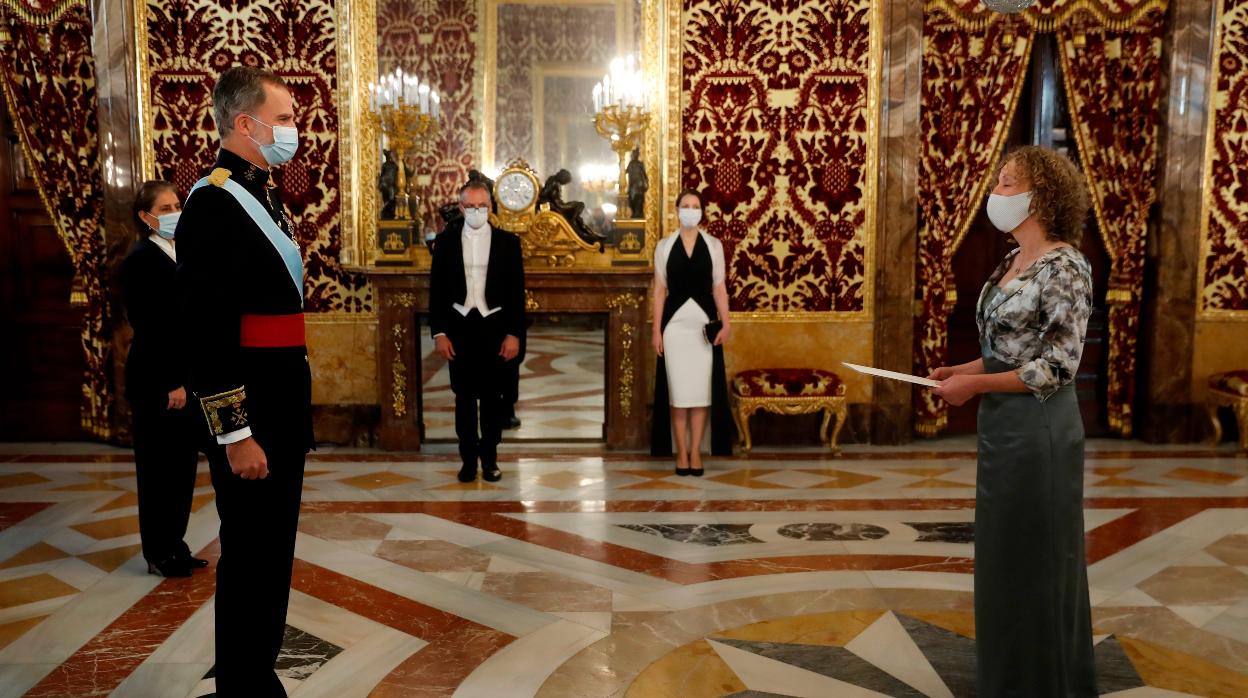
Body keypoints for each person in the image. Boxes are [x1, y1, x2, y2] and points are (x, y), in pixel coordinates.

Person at [929, 145, 1098, 696]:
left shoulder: (1066, 267)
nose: (996, 194)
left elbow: (1057, 367)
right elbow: (1007, 351)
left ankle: (1045, 682)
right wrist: (962, 370)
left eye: (1007, 184)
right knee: (1004, 555)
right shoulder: (1011, 261)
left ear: (1040, 196)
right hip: (1002, 425)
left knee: (1037, 555)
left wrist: (973, 387)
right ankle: (1008, 679)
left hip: (1040, 428)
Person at [176, 66, 312, 696]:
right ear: (244, 123)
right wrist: (235, 434)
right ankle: (239, 684)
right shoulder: (212, 202)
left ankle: (256, 674)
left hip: (280, 402)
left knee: (272, 551)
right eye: (283, 118)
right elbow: (207, 331)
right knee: (250, 552)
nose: (293, 129)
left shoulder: (265, 195)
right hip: (250, 413)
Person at [119, 180, 206, 579]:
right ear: (146, 217)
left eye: (177, 205)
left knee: (182, 469)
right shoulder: (140, 259)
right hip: (158, 380)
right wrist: (172, 382)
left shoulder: (181, 250)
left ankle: (176, 545)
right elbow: (151, 326)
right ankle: (158, 551)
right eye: (166, 208)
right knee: (158, 471)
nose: (175, 213)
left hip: (186, 378)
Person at [429, 181, 526, 483]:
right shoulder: (445, 242)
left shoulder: (508, 243)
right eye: (470, 206)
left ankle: (490, 460)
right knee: (464, 400)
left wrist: (514, 334)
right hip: (459, 329)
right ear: (461, 208)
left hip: (495, 328)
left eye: (481, 206)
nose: (476, 211)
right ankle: (468, 460)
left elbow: (516, 293)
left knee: (493, 400)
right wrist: (439, 333)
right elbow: (436, 291)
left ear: (490, 207)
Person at [650, 189, 735, 474]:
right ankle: (681, 453)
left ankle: (696, 452)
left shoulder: (713, 246)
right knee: (678, 394)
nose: (690, 210)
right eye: (685, 205)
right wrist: (656, 331)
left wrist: (726, 323)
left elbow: (719, 288)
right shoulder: (664, 246)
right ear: (677, 210)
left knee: (700, 394)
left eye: (695, 206)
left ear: (702, 211)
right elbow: (659, 291)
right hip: (674, 328)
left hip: (703, 328)